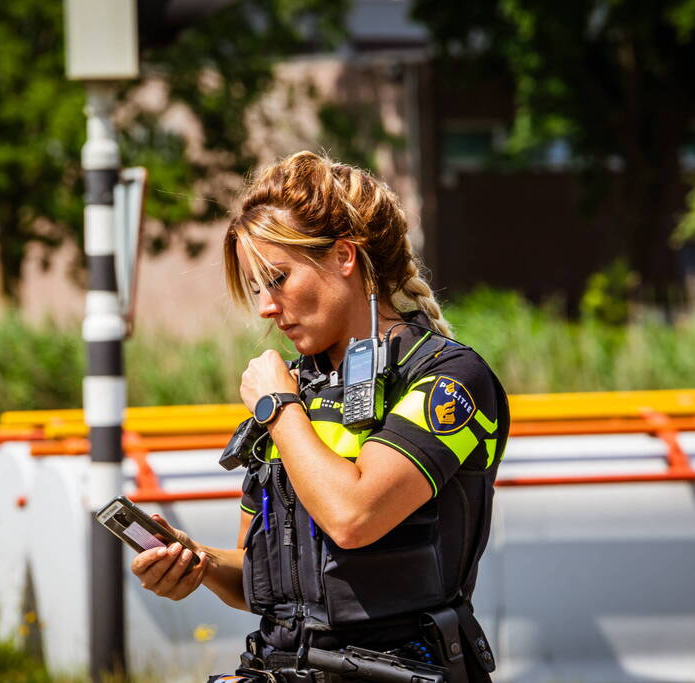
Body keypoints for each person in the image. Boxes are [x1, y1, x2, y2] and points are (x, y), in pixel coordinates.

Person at [131, 151, 507, 681]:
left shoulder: (449, 378)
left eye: (277, 278)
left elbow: (353, 517)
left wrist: (278, 409)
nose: (265, 306)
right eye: (257, 288)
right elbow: (261, 582)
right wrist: (197, 564)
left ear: (345, 257)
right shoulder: (292, 388)